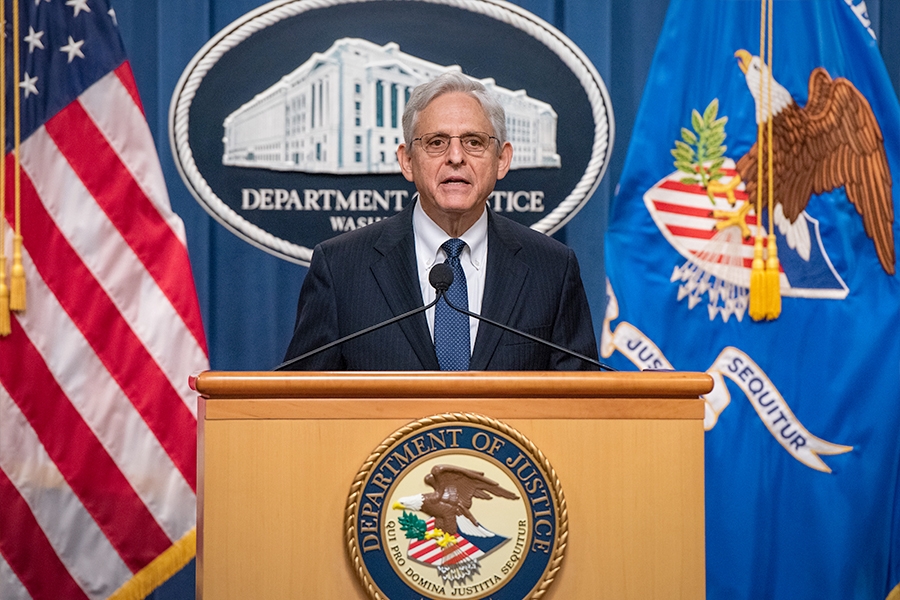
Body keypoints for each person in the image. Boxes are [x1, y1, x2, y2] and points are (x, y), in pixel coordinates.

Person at [282, 72, 598, 370]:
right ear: (407, 161)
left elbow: (580, 406)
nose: (456, 157)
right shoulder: (341, 269)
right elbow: (301, 405)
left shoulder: (552, 269)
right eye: (437, 142)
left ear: (501, 160)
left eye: (474, 142)